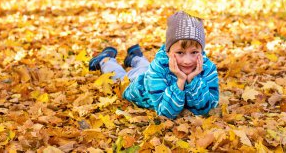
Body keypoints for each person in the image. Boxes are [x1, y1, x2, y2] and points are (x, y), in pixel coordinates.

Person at [88, 11, 219, 119]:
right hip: (136, 84)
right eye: (180, 52)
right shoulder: (157, 68)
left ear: (202, 51)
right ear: (168, 51)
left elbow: (205, 109)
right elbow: (165, 113)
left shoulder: (207, 68)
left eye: (194, 52)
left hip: (149, 72)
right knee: (119, 77)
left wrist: (193, 80)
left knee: (145, 67)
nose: (187, 61)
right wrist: (180, 81)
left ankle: (136, 57)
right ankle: (105, 60)